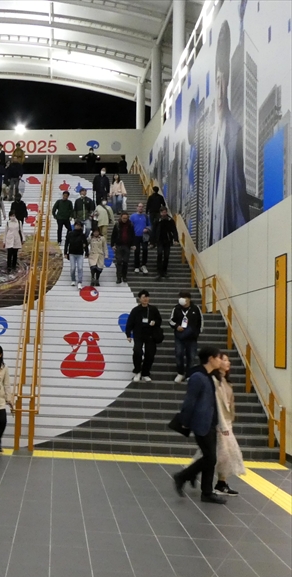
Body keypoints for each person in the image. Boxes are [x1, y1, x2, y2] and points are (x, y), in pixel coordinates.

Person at [207, 21, 250, 246]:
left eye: (224, 83)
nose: (221, 90)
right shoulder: (211, 136)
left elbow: (239, 194)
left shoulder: (235, 132)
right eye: (217, 82)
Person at [172, 347, 227, 504]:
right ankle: (183, 476)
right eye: (218, 358)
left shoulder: (209, 376)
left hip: (210, 422)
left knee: (210, 458)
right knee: (210, 457)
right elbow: (190, 401)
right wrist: (185, 421)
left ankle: (206, 491)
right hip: (201, 423)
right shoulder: (198, 376)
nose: (220, 361)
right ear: (210, 359)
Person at [212, 352, 244, 495]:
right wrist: (222, 424)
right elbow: (218, 404)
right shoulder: (215, 381)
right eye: (225, 360)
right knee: (223, 454)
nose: (228, 363)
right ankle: (220, 483)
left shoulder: (226, 382)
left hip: (227, 421)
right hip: (220, 422)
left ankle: (221, 482)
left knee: (223, 453)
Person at [125, 290, 162, 382]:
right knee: (137, 351)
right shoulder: (135, 310)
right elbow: (130, 323)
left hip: (150, 335)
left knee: (150, 354)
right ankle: (137, 371)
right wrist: (128, 334)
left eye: (147, 297)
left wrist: (155, 322)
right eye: (143, 297)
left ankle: (145, 372)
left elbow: (159, 320)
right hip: (138, 334)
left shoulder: (153, 309)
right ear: (140, 299)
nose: (145, 299)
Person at [169, 291, 203, 383]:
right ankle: (180, 373)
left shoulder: (195, 308)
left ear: (189, 299)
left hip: (192, 337)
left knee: (191, 356)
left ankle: (189, 374)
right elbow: (171, 321)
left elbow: (201, 321)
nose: (182, 299)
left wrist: (197, 333)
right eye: (181, 297)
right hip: (179, 337)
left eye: (184, 297)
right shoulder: (176, 308)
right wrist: (177, 326)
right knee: (179, 354)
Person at [152, 206, 178, 279]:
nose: (164, 213)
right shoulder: (157, 220)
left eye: (165, 212)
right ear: (160, 213)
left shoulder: (170, 220)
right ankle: (159, 272)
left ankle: (164, 271)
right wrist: (152, 242)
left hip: (167, 240)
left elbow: (174, 230)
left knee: (166, 256)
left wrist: (176, 239)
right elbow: (154, 231)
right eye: (163, 212)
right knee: (159, 254)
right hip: (159, 240)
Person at [110, 212, 135, 284]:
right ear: (121, 217)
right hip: (119, 245)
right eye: (123, 218)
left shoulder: (130, 225)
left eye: (126, 218)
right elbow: (113, 235)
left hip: (127, 246)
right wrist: (112, 245)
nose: (125, 220)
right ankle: (118, 277)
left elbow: (133, 235)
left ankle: (124, 276)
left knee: (125, 262)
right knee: (119, 261)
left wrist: (133, 244)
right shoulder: (117, 225)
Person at [64, 220, 89, 289]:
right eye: (76, 225)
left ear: (81, 227)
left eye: (79, 225)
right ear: (74, 226)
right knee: (73, 268)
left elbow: (86, 244)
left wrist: (87, 252)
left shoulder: (82, 235)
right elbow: (66, 243)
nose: (77, 226)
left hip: (80, 253)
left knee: (80, 268)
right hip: (72, 253)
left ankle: (80, 282)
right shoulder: (70, 233)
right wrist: (65, 252)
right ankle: (73, 279)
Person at [130, 203, 150, 274]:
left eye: (142, 206)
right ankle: (136, 266)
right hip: (136, 236)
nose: (141, 208)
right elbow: (130, 226)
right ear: (137, 207)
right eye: (139, 206)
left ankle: (144, 265)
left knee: (145, 250)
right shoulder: (132, 216)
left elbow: (149, 225)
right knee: (137, 251)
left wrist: (147, 229)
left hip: (144, 236)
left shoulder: (145, 216)